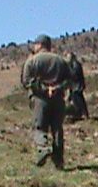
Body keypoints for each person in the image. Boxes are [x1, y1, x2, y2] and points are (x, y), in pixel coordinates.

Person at [21, 34, 72, 169]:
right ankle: (59, 161)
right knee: (57, 129)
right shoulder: (61, 61)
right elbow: (69, 80)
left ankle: (43, 149)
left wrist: (44, 89)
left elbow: (26, 81)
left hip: (40, 99)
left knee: (40, 127)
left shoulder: (32, 61)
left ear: (39, 45)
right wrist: (56, 88)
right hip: (58, 99)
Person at [65, 52, 89, 120]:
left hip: (77, 86)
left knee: (79, 100)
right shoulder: (72, 64)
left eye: (68, 57)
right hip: (74, 86)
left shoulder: (76, 64)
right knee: (75, 100)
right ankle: (79, 113)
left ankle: (84, 113)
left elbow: (75, 74)